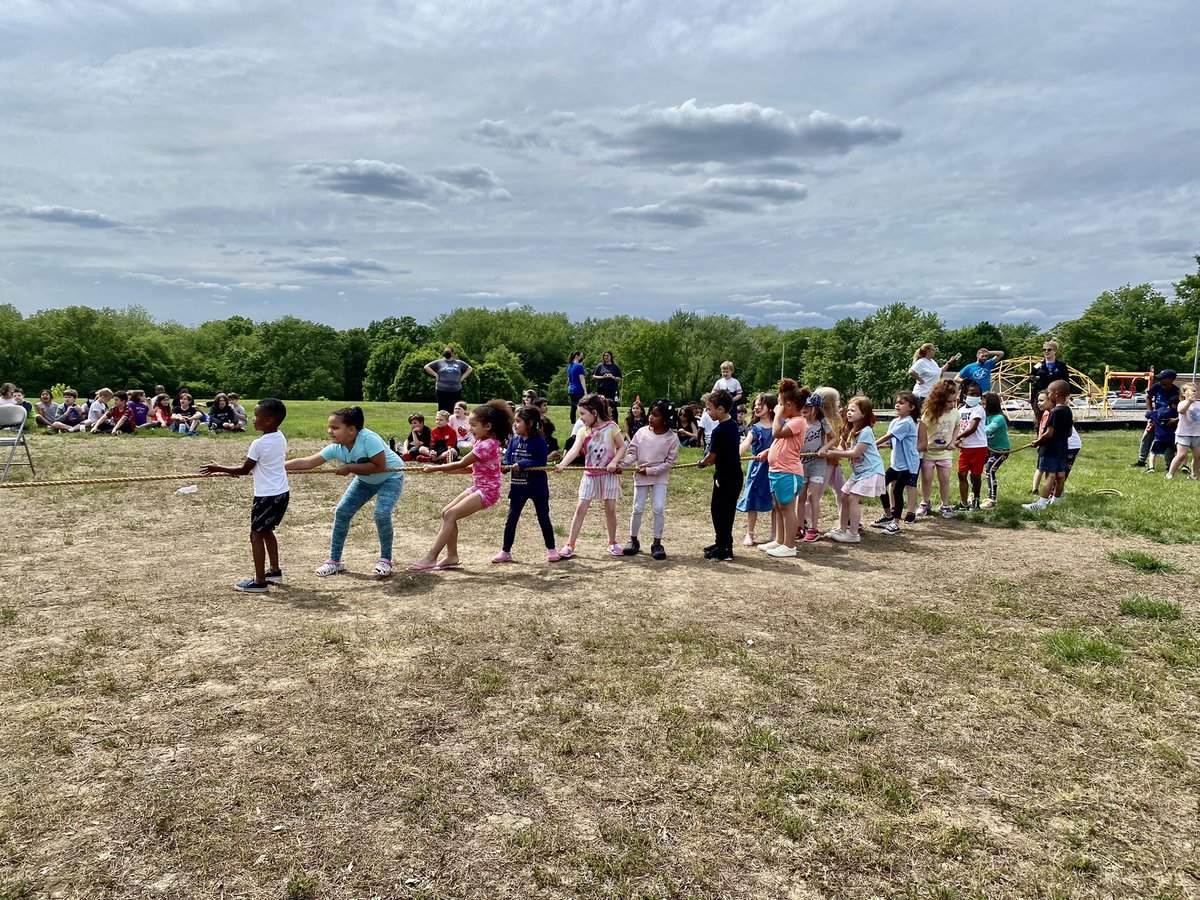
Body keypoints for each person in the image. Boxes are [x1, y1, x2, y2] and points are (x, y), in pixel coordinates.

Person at [286, 406, 405, 577]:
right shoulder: (337, 447)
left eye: (335, 428)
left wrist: (350, 467)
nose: (330, 431)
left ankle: (386, 559)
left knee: (381, 513)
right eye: (329, 427)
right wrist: (278, 466)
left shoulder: (368, 439)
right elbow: (308, 462)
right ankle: (334, 561)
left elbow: (380, 466)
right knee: (342, 512)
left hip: (390, 477)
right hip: (365, 480)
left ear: (351, 430)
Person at [199, 399, 290, 593]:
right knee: (267, 530)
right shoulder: (280, 437)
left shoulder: (259, 444)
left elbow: (243, 470)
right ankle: (274, 570)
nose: (253, 419)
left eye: (256, 415)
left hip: (266, 496)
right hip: (282, 493)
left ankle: (260, 581)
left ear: (269, 420)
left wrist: (218, 467)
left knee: (256, 534)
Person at [410, 400, 512, 570]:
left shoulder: (486, 444)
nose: (470, 429)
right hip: (479, 487)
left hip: (488, 491)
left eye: (474, 425)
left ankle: (431, 557)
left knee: (451, 514)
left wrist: (436, 468)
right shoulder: (482, 441)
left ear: (488, 426)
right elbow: (474, 468)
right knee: (446, 513)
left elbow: (462, 462)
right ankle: (452, 556)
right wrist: (451, 471)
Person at [555, 393, 625, 558]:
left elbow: (622, 447)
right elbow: (574, 449)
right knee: (581, 508)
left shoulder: (612, 427)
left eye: (583, 414)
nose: (581, 417)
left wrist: (614, 462)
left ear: (594, 413)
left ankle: (612, 542)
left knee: (610, 509)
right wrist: (563, 464)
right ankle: (570, 544)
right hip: (590, 476)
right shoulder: (583, 431)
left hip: (608, 475)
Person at [613, 398, 680, 560]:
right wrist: (622, 464)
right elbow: (632, 453)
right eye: (650, 413)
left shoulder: (672, 438)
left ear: (666, 419)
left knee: (658, 508)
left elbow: (669, 463)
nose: (650, 417)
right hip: (641, 476)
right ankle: (633, 540)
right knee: (637, 508)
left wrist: (649, 471)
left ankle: (657, 543)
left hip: (659, 478)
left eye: (655, 415)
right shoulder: (641, 433)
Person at [493, 405, 559, 564]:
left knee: (543, 518)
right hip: (518, 486)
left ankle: (551, 549)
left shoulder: (539, 441)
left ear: (529, 423)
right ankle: (505, 551)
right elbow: (508, 458)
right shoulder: (514, 440)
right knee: (511, 519)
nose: (515, 424)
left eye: (518, 421)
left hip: (537, 487)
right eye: (515, 421)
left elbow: (540, 461)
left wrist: (522, 464)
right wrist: (505, 466)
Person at [821, 396, 886, 544]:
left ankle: (853, 534)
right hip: (859, 473)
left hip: (871, 471)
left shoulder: (866, 431)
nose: (849, 413)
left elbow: (855, 453)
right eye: (848, 409)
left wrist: (835, 454)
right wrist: (833, 449)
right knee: (844, 496)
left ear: (863, 414)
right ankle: (842, 529)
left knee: (853, 498)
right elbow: (842, 447)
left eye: (853, 410)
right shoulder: (849, 429)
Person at [759, 379, 808, 559]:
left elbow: (776, 433)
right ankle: (780, 540)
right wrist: (769, 451)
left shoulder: (798, 422)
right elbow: (781, 442)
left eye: (779, 404)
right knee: (779, 507)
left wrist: (778, 416)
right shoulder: (790, 422)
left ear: (788, 405)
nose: (777, 408)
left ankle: (789, 545)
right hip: (777, 471)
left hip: (788, 472)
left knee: (787, 508)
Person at [697, 389, 741, 562]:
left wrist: (703, 463)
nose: (707, 412)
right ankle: (721, 543)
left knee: (720, 512)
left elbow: (711, 456)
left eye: (709, 409)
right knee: (725, 511)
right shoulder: (733, 425)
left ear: (721, 409)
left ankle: (725, 549)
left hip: (725, 477)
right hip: (735, 475)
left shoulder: (719, 430)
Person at [874, 390, 921, 534]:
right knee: (880, 485)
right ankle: (888, 515)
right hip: (896, 464)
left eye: (901, 403)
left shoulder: (907, 422)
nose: (897, 405)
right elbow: (889, 442)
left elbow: (889, 436)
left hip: (908, 465)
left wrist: (872, 444)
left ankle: (896, 523)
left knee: (897, 491)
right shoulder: (895, 421)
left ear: (911, 407)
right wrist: (878, 446)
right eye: (896, 403)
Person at [1023, 380, 1073, 510]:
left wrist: (1038, 442)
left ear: (1056, 394)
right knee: (1060, 475)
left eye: (1049, 393)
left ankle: (1041, 503)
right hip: (1063, 448)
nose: (1048, 395)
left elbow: (1049, 433)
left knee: (1050, 475)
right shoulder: (1068, 410)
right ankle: (1055, 501)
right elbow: (1069, 432)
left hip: (1050, 449)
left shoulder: (1054, 412)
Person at [737, 393, 776, 547]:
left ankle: (775, 533)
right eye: (756, 404)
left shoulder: (780, 425)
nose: (756, 407)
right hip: (757, 469)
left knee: (776, 500)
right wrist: (734, 455)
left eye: (761, 404)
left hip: (775, 467)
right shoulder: (755, 428)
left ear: (771, 407)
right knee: (752, 499)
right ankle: (750, 532)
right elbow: (746, 444)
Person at [916, 379, 959, 518]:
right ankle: (925, 502)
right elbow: (922, 429)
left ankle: (944, 504)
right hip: (928, 453)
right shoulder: (929, 413)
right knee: (926, 478)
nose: (952, 404)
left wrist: (953, 441)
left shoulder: (955, 413)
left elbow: (957, 427)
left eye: (955, 401)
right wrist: (923, 444)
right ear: (939, 400)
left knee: (945, 479)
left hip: (944, 453)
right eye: (949, 401)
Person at [798, 394, 835, 543]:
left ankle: (814, 528)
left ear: (816, 408)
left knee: (812, 496)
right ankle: (800, 526)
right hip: (801, 464)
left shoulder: (822, 422)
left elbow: (835, 438)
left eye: (808, 406)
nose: (804, 409)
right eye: (803, 406)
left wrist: (825, 448)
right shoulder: (799, 422)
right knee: (800, 497)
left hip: (817, 464)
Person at [953, 381, 988, 511]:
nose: (975, 396)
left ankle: (976, 500)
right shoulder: (960, 410)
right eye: (971, 394)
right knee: (961, 474)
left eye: (977, 394)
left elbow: (972, 428)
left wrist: (956, 438)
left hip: (978, 446)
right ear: (964, 395)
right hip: (965, 447)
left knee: (975, 475)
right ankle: (964, 502)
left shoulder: (978, 409)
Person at [1135, 370, 1181, 467]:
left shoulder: (1177, 392)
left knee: (1169, 440)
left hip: (1170, 419)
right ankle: (1141, 460)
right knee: (1147, 436)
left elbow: (1181, 408)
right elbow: (1148, 397)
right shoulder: (1157, 387)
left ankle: (1169, 465)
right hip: (1156, 417)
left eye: (1162, 378)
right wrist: (1150, 411)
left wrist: (1176, 419)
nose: (1160, 380)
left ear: (1171, 380)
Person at [980, 392, 1011, 508]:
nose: (982, 407)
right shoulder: (984, 417)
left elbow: (986, 431)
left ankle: (992, 499)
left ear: (991, 404)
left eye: (984, 404)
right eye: (981, 404)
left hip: (1001, 450)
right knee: (975, 468)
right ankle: (975, 495)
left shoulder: (999, 418)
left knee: (990, 470)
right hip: (989, 449)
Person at [425, 346, 473, 413]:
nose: (446, 353)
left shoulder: (459, 363)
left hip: (456, 390)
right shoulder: (439, 362)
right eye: (445, 352)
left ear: (452, 353)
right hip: (441, 389)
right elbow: (426, 367)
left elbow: (470, 369)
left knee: (454, 409)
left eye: (448, 352)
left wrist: (462, 378)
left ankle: (453, 419)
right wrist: (436, 375)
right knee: (442, 409)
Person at [1168, 382, 1199, 480]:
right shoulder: (1182, 403)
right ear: (1184, 393)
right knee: (1181, 455)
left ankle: (1194, 475)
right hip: (1183, 433)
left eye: (1195, 391)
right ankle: (1170, 474)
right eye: (1190, 391)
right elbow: (1181, 411)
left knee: (1198, 456)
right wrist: (1189, 402)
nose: (1193, 393)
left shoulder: (1199, 404)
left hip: (1197, 434)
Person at [1029, 340, 1069, 411]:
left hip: (1055, 397)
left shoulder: (1061, 366)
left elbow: (1066, 381)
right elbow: (1030, 378)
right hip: (1040, 396)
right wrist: (1034, 378)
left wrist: (1067, 395)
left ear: (1055, 351)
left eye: (1049, 350)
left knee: (1055, 414)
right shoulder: (1038, 365)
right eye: (1044, 350)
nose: (1046, 351)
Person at [1144, 402, 1178, 475]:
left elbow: (1147, 414)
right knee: (1174, 452)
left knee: (1153, 453)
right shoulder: (1176, 413)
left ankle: (1151, 468)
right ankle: (1170, 467)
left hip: (1159, 437)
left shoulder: (1157, 412)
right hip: (1172, 437)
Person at [566, 350, 587, 423]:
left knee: (573, 406)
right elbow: (582, 378)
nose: (582, 357)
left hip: (571, 389)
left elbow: (568, 379)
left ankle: (573, 421)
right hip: (578, 389)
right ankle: (582, 420)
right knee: (581, 406)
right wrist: (585, 390)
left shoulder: (569, 366)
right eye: (581, 356)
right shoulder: (579, 366)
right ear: (576, 356)